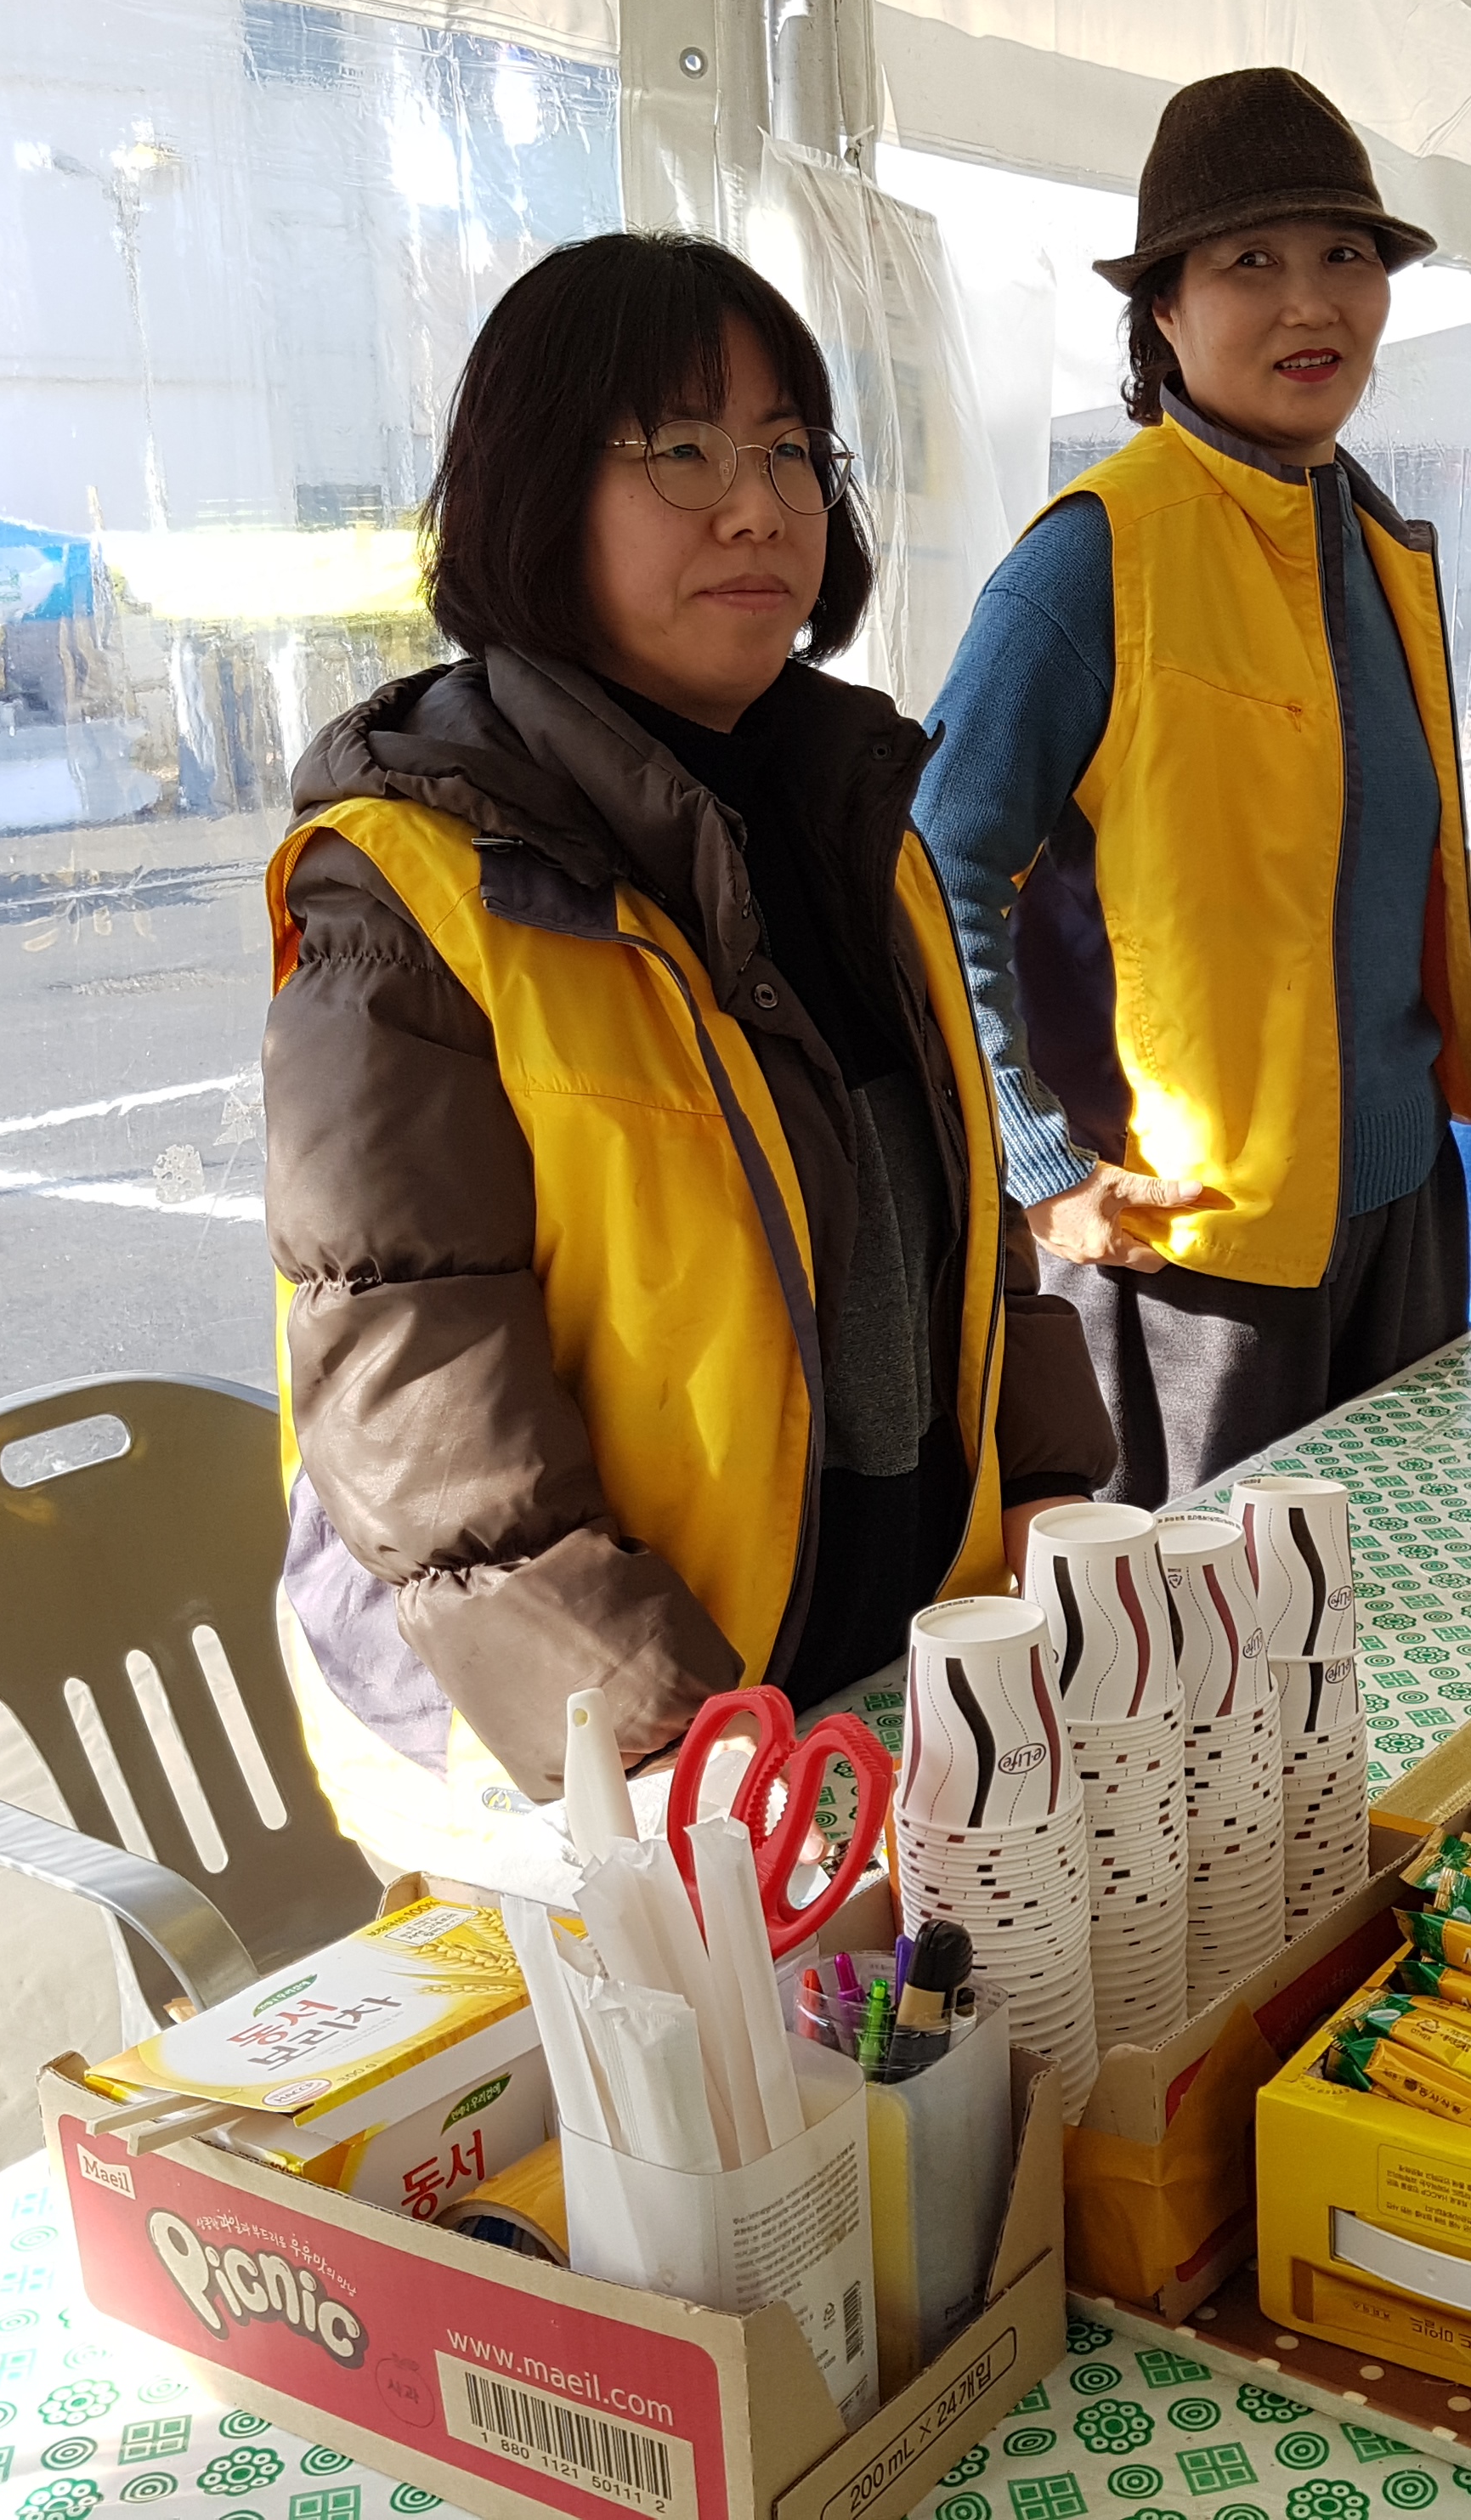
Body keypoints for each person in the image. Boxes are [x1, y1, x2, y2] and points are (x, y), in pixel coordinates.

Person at [263, 232, 1113, 1866]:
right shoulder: (411, 885)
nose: (758, 507)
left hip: (864, 1691)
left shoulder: (863, 827)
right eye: (681, 450)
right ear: (535, 491)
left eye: (791, 450)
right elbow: (415, 1376)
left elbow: (969, 1246)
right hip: (591, 1758)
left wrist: (1052, 1504)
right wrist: (676, 1747)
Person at [915, 68, 1471, 1508]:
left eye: (1346, 255)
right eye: (1250, 260)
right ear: (1165, 316)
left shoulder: (1374, 543)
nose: (1311, 302)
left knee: (1408, 1591)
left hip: (1402, 1213)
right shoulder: (1096, 554)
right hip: (1190, 1250)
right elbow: (933, 864)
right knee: (1208, 1634)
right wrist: (1037, 1161)